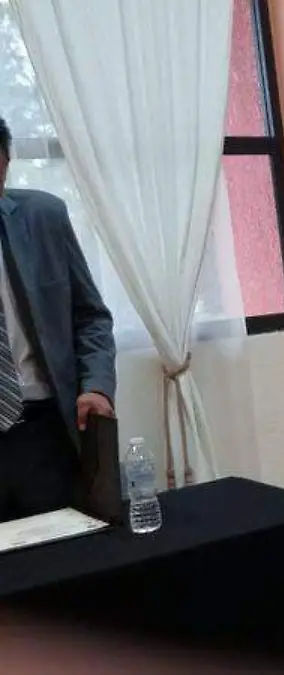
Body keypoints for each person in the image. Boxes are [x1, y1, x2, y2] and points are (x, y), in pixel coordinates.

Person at [0, 116, 116, 523]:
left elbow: (91, 317)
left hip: (43, 431)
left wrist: (96, 386)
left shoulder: (44, 218)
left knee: (65, 552)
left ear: (6, 163)